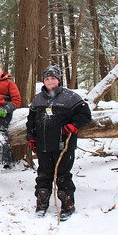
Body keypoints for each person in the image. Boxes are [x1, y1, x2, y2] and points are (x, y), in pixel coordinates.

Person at [26, 64, 91, 219]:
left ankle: (67, 204)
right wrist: (31, 137)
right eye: (47, 79)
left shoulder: (70, 97)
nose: (50, 81)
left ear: (59, 80)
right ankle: (42, 203)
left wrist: (74, 125)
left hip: (64, 144)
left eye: (53, 78)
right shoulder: (38, 99)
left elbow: (85, 114)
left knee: (62, 174)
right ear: (43, 81)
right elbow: (31, 120)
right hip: (43, 144)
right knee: (43, 174)